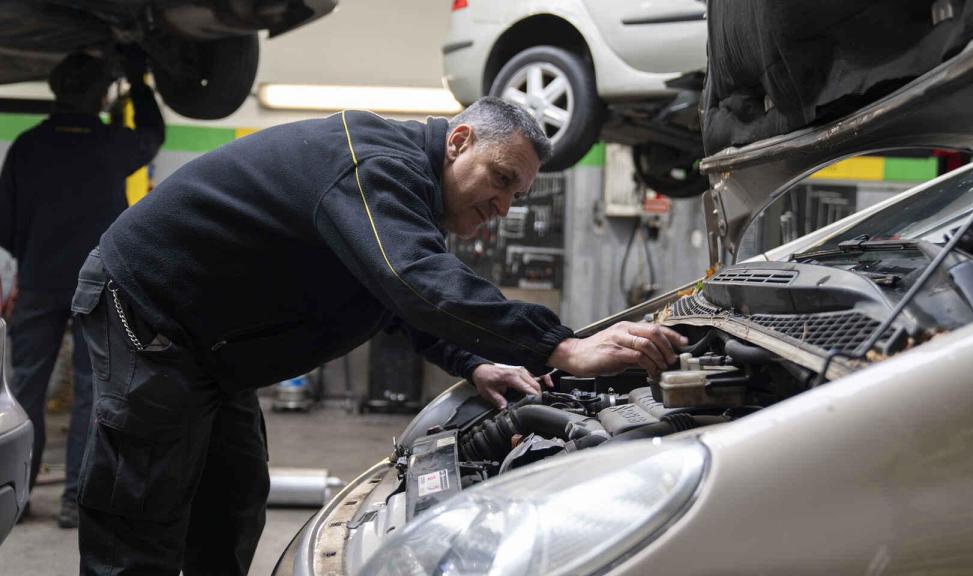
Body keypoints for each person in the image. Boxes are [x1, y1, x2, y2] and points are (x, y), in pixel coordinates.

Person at [72, 96, 686, 574]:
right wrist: (561, 347)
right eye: (500, 180)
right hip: (150, 316)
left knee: (231, 501)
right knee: (142, 513)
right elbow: (413, 278)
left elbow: (386, 294)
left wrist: (474, 362)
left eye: (516, 196)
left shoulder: (409, 197)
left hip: (216, 347)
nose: (503, 206)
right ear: (459, 140)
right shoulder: (376, 163)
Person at [0, 48, 164, 529]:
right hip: (99, 283)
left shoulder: (28, 145)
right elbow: (154, 135)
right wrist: (139, 82)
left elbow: (4, 225)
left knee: (25, 384)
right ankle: (76, 500)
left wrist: (36, 252)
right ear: (99, 96)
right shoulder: (113, 144)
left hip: (39, 281)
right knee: (93, 390)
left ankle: (19, 493)